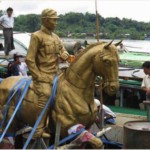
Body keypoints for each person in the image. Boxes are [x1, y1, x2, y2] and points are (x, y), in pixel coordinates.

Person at [25, 8, 69, 138]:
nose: (56, 23)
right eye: (54, 20)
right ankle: (39, 128)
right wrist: (38, 76)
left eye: (56, 20)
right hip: (43, 76)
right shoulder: (36, 36)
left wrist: (65, 54)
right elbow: (29, 59)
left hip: (57, 74)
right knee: (46, 95)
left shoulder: (56, 37)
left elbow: (63, 50)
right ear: (45, 20)